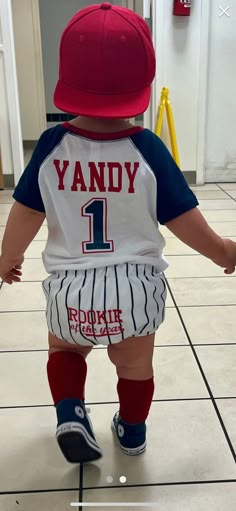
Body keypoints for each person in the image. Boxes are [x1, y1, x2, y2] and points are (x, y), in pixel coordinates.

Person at [0, 2, 236, 465]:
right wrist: (224, 251)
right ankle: (132, 433)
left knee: (66, 350)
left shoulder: (51, 145)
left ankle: (70, 411)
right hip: (134, 290)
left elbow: (25, 211)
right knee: (134, 366)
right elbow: (184, 220)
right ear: (142, 83)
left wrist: (6, 256)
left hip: (69, 291)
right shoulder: (146, 148)